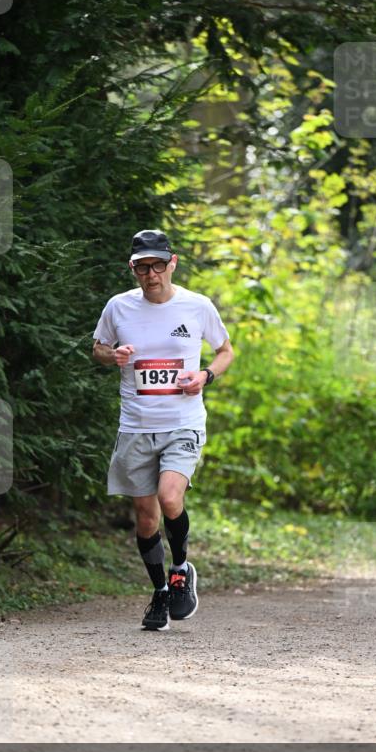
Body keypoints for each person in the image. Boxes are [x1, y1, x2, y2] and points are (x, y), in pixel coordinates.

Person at [92, 229, 234, 632]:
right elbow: (98, 348)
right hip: (136, 427)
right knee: (145, 518)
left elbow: (226, 351)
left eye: (157, 265)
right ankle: (160, 592)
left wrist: (205, 375)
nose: (151, 274)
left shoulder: (197, 305)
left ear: (171, 263)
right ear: (132, 268)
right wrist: (112, 355)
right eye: (142, 267)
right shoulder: (118, 308)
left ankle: (180, 569)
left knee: (170, 499)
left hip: (182, 423)